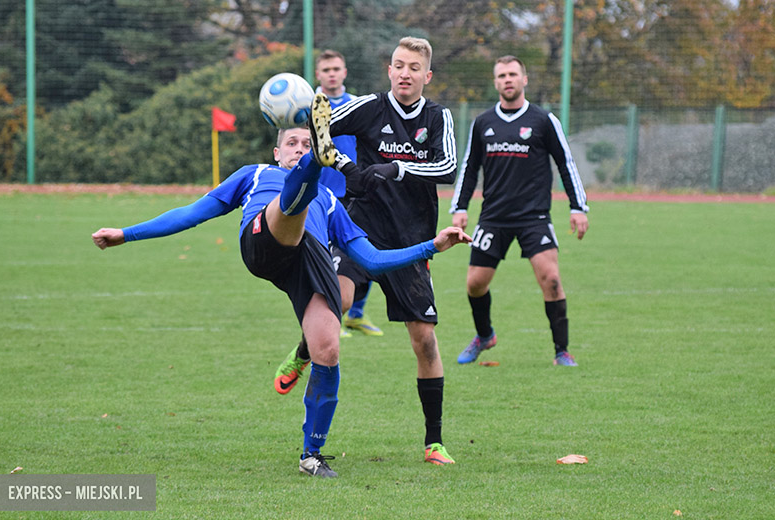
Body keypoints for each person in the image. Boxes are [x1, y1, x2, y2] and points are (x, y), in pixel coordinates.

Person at [91, 93, 470, 478]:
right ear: (277, 152)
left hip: (307, 262)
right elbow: (192, 213)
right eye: (294, 143)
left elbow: (372, 260)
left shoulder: (332, 204)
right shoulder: (255, 175)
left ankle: (311, 454)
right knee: (292, 202)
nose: (298, 147)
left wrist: (431, 246)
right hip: (264, 239)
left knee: (327, 349)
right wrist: (127, 234)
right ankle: (314, 167)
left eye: (308, 143)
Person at [275, 37, 460, 466]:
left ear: (426, 75)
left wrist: (396, 167)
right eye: (398, 65)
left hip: (411, 240)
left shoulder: (437, 116)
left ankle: (433, 442)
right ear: (389, 70)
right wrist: (345, 167)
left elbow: (447, 167)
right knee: (334, 302)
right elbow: (321, 135)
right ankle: (303, 353)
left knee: (425, 341)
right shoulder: (370, 107)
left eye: (414, 67)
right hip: (358, 229)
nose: (404, 73)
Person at [449, 55, 589, 367]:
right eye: (501, 75)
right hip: (493, 217)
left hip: (533, 217)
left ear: (524, 79)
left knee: (551, 279)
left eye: (513, 74)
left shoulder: (543, 120)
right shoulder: (483, 122)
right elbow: (470, 167)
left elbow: (565, 164)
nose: (507, 80)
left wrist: (578, 207)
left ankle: (561, 351)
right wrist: (460, 207)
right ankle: (485, 336)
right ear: (495, 82)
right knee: (474, 284)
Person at [315, 49, 382, 337]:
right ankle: (333, 315)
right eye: (326, 69)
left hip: (354, 193)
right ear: (318, 74)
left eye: (336, 68)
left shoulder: (358, 105)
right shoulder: (307, 106)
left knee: (363, 253)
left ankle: (355, 314)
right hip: (319, 192)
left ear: (344, 72)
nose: (332, 73)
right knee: (326, 257)